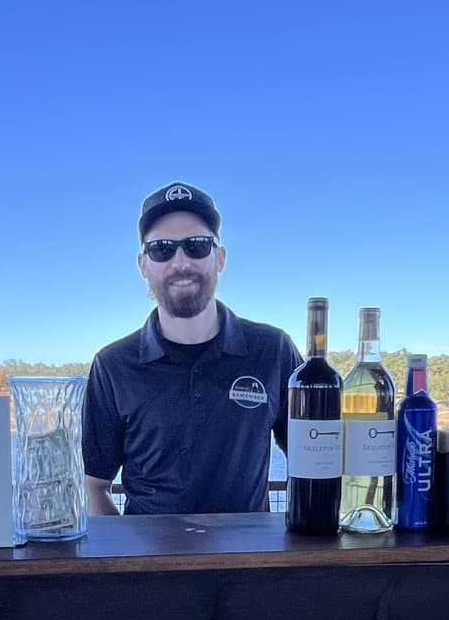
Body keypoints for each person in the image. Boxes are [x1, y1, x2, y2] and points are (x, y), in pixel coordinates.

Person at [82, 182, 298, 516]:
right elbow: (93, 486)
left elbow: (313, 455)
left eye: (197, 246)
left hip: (251, 566)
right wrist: (126, 562)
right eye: (162, 249)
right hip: (149, 568)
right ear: (143, 265)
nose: (180, 262)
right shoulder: (112, 366)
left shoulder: (272, 351)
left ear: (220, 258)